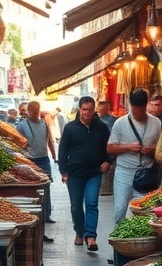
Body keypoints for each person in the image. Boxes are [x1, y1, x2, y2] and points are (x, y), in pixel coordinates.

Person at [58, 96, 112, 252]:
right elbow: (63, 151)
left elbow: (109, 147)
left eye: (90, 110)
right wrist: (63, 171)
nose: (87, 113)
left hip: (94, 173)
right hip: (74, 174)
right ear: (79, 110)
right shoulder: (70, 128)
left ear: (94, 110)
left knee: (92, 203)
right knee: (76, 206)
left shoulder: (101, 127)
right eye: (84, 110)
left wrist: (108, 161)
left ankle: (90, 236)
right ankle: (79, 232)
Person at [107, 87, 162, 222]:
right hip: (124, 172)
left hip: (146, 173)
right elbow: (110, 148)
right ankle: (118, 240)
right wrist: (128, 147)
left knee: (143, 211)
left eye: (142, 108)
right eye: (136, 108)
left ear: (146, 104)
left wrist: (152, 151)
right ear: (131, 105)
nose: (139, 112)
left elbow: (160, 149)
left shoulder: (156, 122)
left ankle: (138, 242)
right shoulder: (120, 123)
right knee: (120, 210)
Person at [15, 100, 57, 241]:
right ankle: (36, 218)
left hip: (44, 159)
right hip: (30, 160)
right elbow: (17, 144)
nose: (33, 114)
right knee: (34, 190)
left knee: (46, 186)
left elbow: (49, 140)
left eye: (36, 112)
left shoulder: (43, 125)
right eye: (31, 112)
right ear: (28, 112)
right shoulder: (21, 126)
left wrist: (54, 156)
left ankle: (46, 214)